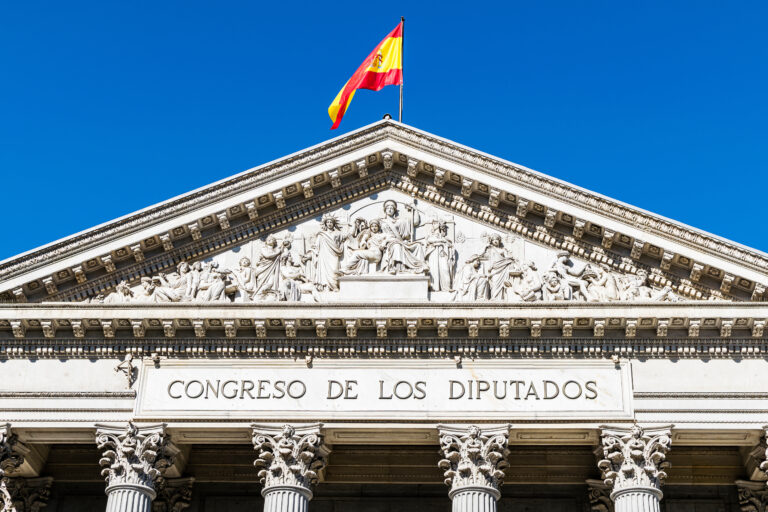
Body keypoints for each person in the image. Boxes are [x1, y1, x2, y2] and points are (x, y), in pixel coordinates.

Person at [378, 200, 427, 274]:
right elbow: (373, 232)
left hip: (401, 242)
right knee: (396, 246)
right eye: (388, 208)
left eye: (392, 208)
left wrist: (415, 209)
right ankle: (398, 268)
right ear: (385, 210)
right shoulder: (381, 222)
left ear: (394, 210)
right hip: (389, 243)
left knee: (418, 246)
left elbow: (415, 222)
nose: (390, 209)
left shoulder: (400, 221)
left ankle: (421, 266)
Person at [310, 214, 348, 291]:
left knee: (335, 270)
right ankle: (326, 286)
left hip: (334, 254)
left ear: (334, 224)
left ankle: (334, 285)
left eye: (331, 222)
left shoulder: (338, 233)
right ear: (325, 224)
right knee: (324, 271)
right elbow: (316, 246)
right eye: (328, 222)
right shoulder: (321, 234)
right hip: (324, 255)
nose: (329, 223)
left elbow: (346, 237)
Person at [425, 222, 455, 291]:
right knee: (433, 270)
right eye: (435, 224)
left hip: (442, 254)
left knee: (445, 269)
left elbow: (449, 244)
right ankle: (434, 287)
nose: (436, 224)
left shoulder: (445, 238)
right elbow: (429, 240)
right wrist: (441, 241)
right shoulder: (430, 237)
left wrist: (442, 243)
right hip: (433, 254)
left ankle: (446, 287)